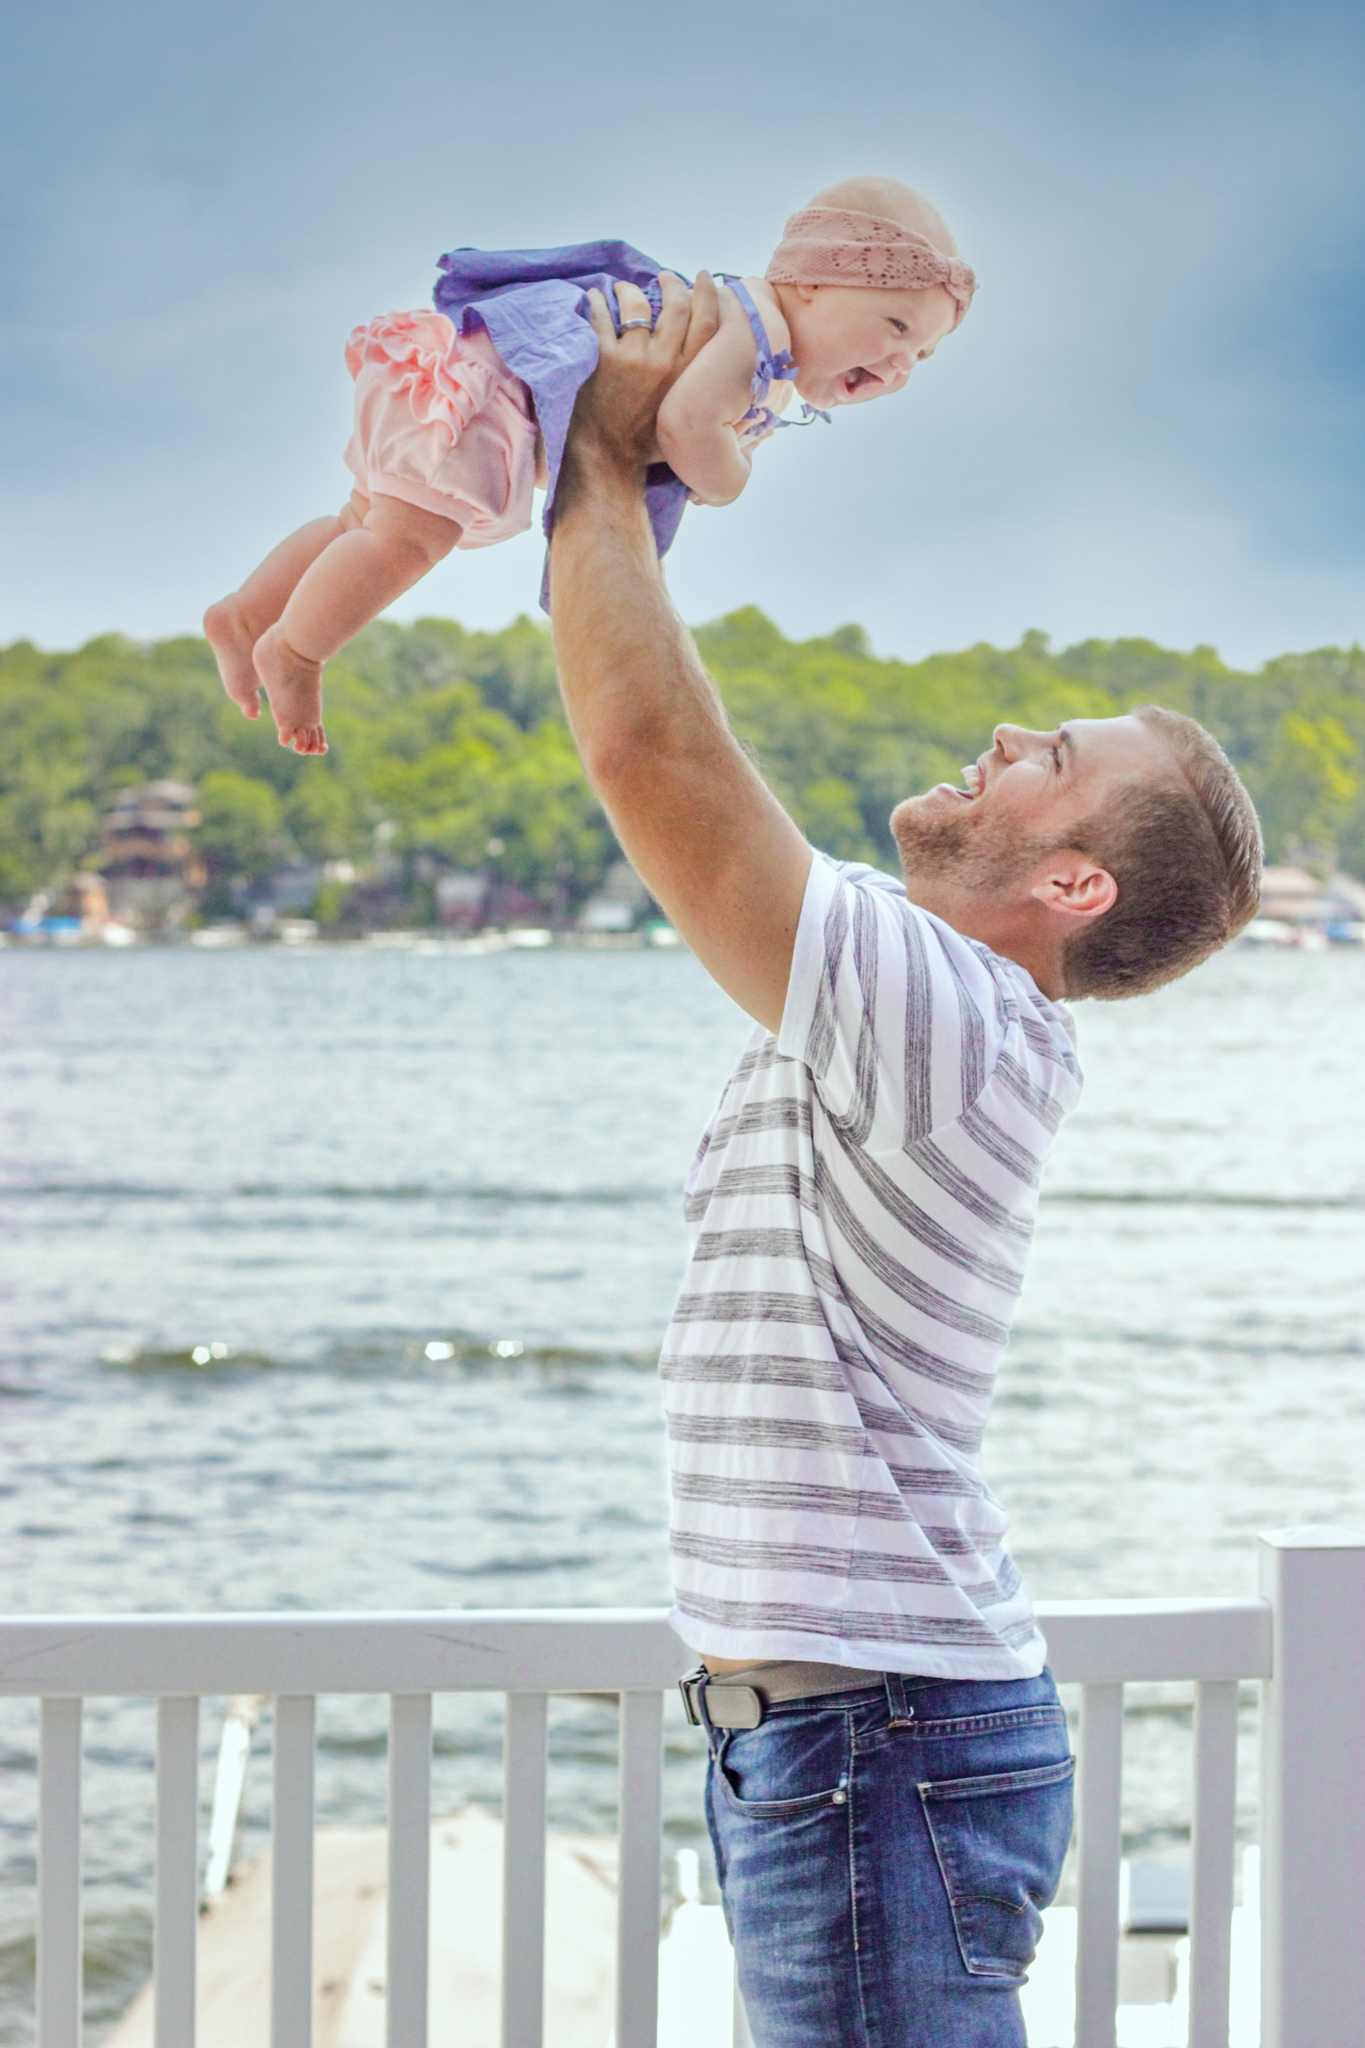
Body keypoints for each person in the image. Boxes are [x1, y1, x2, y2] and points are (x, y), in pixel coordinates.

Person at [547, 272, 1263, 2046]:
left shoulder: (954, 1017)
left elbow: (652, 753)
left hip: (874, 1741)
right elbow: (691, 766)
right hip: (844, 1737)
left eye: (1057, 757)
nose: (1011, 728)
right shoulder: (912, 987)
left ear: (1073, 885)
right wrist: (653, 480)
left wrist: (593, 458)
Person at [204, 176, 974, 755]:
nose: (899, 361)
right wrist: (730, 476)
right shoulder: (752, 329)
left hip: (461, 375)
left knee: (361, 523)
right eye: (893, 325)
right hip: (487, 394)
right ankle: (296, 650)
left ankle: (243, 614)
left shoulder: (760, 351)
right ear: (810, 282)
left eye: (922, 355)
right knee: (403, 545)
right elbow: (684, 423)